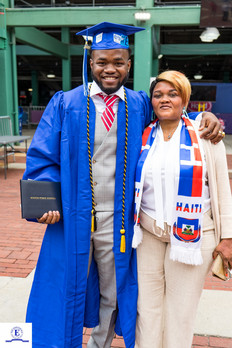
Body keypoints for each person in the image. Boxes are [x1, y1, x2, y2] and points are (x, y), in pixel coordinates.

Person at [23, 23, 223, 348]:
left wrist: (206, 120)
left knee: (113, 291)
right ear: (91, 63)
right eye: (102, 62)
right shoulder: (65, 103)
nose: (110, 69)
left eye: (118, 61)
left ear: (129, 64)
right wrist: (44, 200)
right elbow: (42, 157)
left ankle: (97, 344)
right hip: (73, 216)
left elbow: (172, 113)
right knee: (62, 286)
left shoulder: (140, 104)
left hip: (119, 220)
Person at [132, 70, 232, 348]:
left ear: (184, 98)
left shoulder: (205, 135)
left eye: (172, 94)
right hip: (149, 234)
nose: (165, 99)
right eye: (158, 94)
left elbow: (222, 188)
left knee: (180, 312)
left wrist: (228, 238)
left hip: (194, 236)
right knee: (147, 309)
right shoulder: (141, 137)